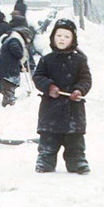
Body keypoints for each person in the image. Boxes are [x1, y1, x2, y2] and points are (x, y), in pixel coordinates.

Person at [32, 19, 92, 174]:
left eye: (66, 36)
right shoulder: (46, 59)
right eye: (59, 35)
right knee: (48, 139)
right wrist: (49, 87)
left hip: (73, 110)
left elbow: (86, 80)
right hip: (50, 110)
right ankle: (45, 161)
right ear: (53, 37)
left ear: (73, 40)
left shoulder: (80, 60)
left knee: (75, 141)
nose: (62, 39)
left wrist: (79, 90)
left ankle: (77, 161)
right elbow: (38, 77)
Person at [0, 13, 34, 107]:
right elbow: (15, 49)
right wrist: (21, 54)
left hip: (7, 66)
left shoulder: (13, 37)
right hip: (7, 68)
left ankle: (9, 98)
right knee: (8, 84)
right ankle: (8, 100)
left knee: (10, 85)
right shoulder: (15, 39)